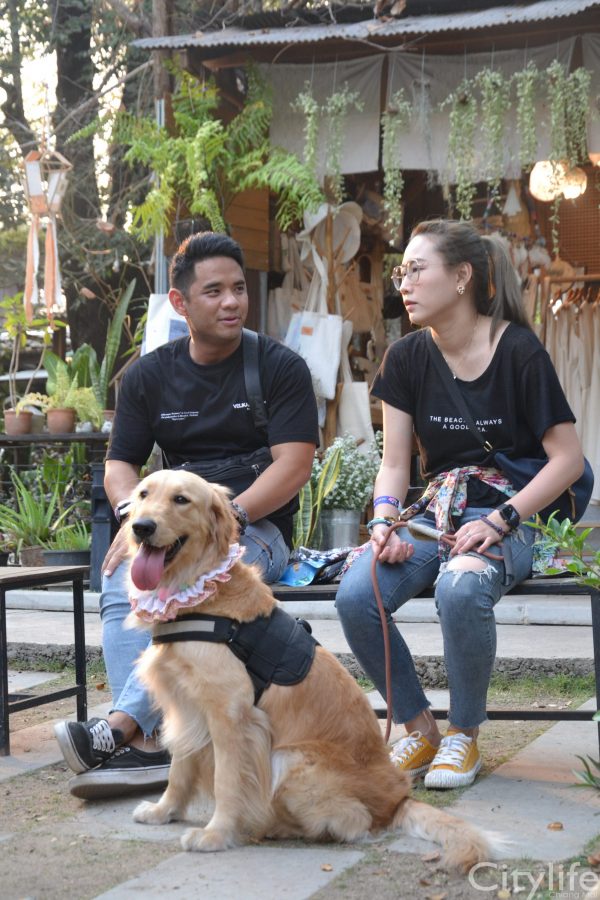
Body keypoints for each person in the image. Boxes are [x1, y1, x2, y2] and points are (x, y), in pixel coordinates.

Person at [54, 232, 319, 799]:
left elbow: (295, 465)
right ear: (180, 303)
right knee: (123, 580)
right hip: (172, 524)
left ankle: (123, 731)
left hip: (253, 526)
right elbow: (120, 464)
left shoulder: (279, 367)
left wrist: (231, 518)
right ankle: (152, 743)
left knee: (190, 586)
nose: (232, 302)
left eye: (239, 289)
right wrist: (132, 518)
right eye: (214, 291)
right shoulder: (148, 376)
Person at [336, 219, 584, 789]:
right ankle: (420, 728)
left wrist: (500, 520)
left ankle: (464, 735)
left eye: (416, 270)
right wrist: (383, 521)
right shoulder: (405, 357)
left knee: (462, 586)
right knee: (356, 594)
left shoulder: (518, 350)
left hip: (512, 511)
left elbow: (567, 460)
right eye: (401, 273)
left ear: (462, 277)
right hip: (437, 512)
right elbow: (394, 464)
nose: (404, 283)